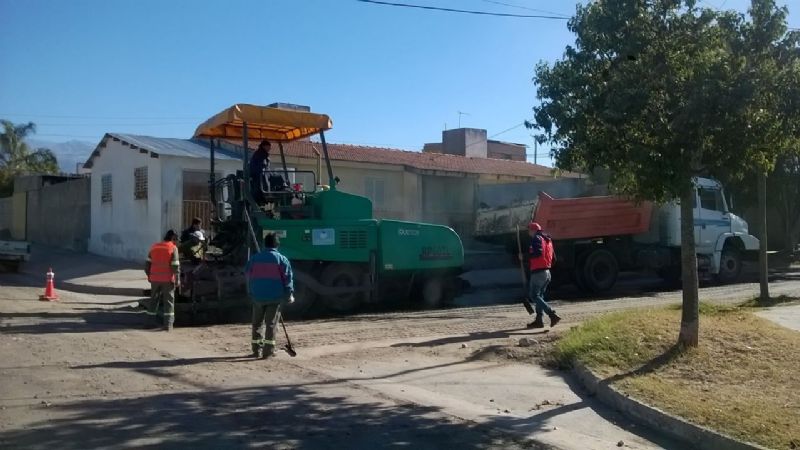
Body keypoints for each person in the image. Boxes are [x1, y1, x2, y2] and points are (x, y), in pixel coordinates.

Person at [245, 232, 294, 359]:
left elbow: (248, 275)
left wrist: (250, 291)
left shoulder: (255, 258)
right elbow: (288, 279)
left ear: (264, 244)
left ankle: (256, 350)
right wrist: (289, 294)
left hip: (257, 296)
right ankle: (268, 352)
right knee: (271, 324)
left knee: (257, 324)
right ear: (277, 244)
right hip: (275, 297)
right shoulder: (282, 259)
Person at [523, 221, 561, 328]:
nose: (528, 232)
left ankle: (552, 314)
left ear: (533, 230)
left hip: (538, 272)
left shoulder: (537, 238)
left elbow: (537, 253)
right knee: (539, 296)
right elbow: (554, 259)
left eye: (529, 230)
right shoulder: (548, 240)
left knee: (534, 296)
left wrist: (525, 257)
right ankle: (539, 321)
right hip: (547, 273)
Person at [144, 230, 181, 331]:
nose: (177, 242)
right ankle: (168, 325)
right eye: (176, 240)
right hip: (167, 279)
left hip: (155, 279)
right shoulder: (173, 248)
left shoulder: (154, 246)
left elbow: (147, 265)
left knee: (153, 300)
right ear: (173, 238)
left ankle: (149, 323)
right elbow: (175, 266)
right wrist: (177, 280)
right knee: (168, 301)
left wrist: (150, 276)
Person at [250, 140, 271, 204]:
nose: (270, 149)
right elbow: (261, 165)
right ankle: (264, 196)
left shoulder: (262, 154)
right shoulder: (260, 154)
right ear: (264, 146)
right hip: (258, 174)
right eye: (268, 147)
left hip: (259, 173)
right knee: (262, 185)